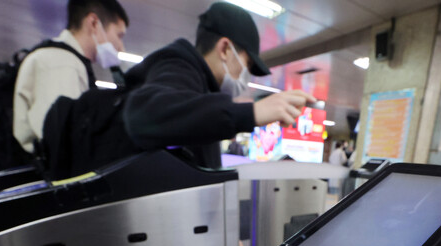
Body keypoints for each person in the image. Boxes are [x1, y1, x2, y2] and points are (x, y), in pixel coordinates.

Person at [121, 2, 316, 169]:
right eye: (246, 64)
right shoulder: (177, 67)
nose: (245, 75)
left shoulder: (202, 91)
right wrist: (251, 112)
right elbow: (145, 115)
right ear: (224, 49)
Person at [13, 0, 129, 152]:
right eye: (119, 35)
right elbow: (62, 141)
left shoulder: (67, 61)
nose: (121, 47)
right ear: (94, 23)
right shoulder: (62, 63)